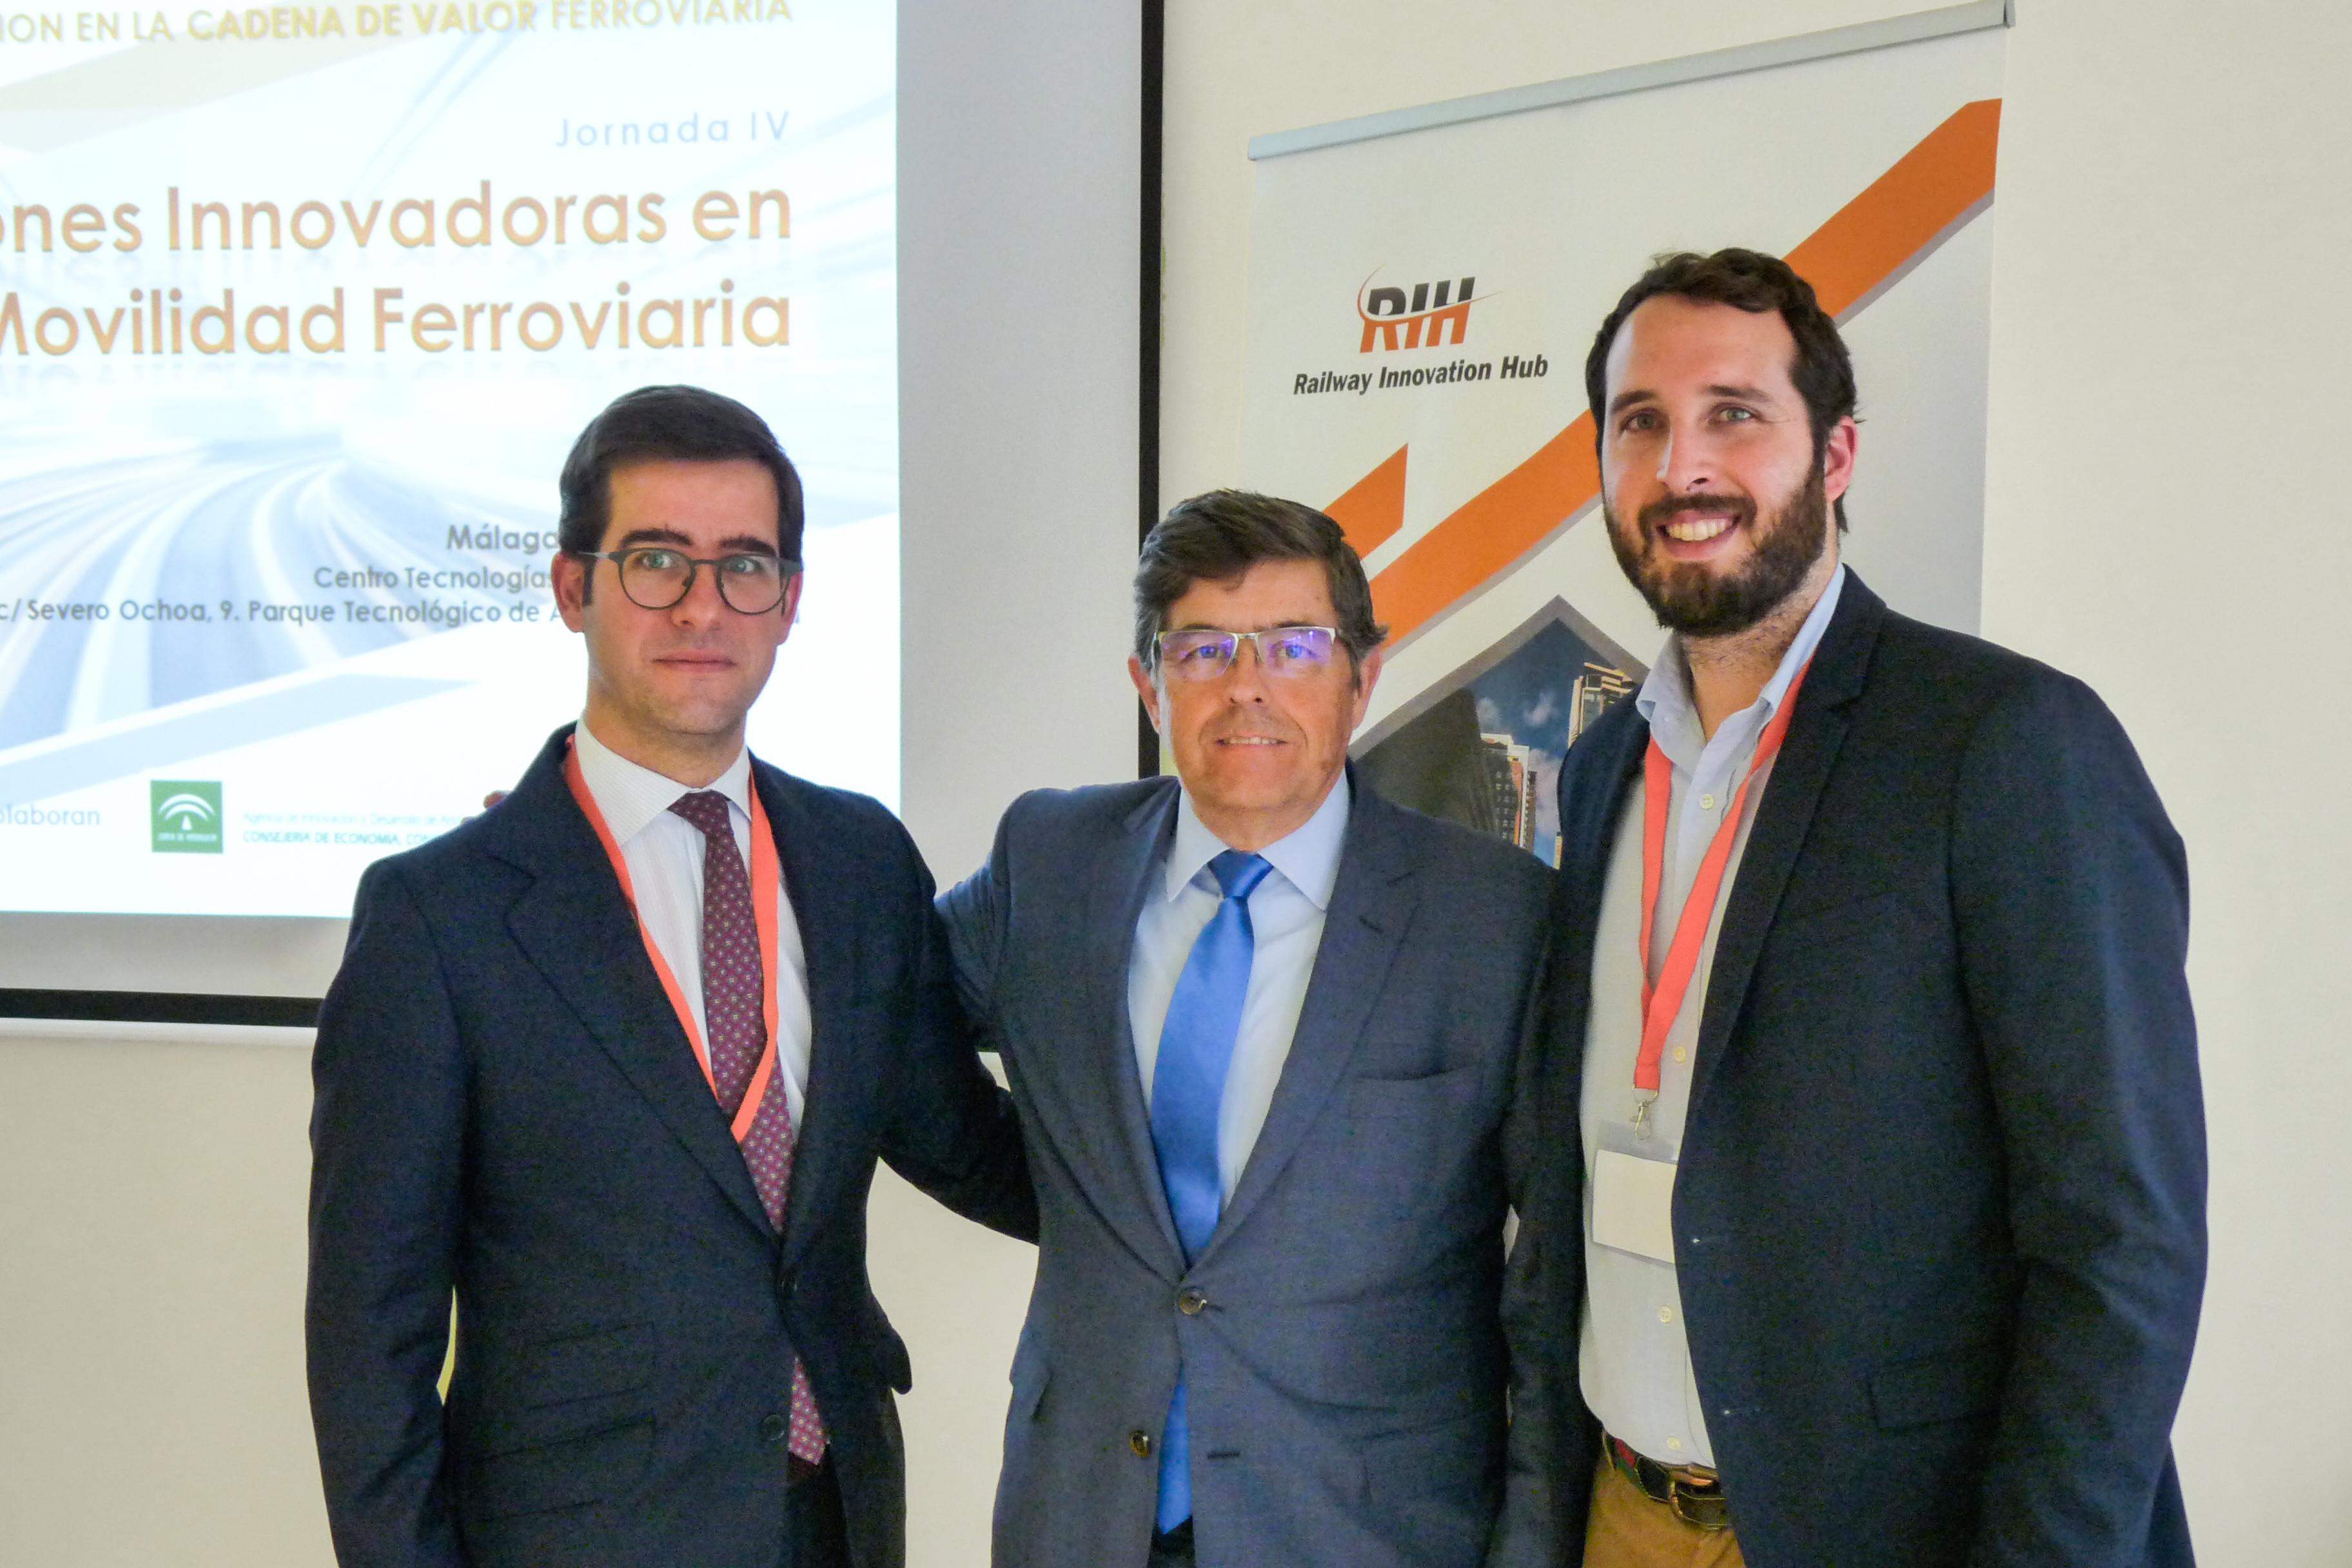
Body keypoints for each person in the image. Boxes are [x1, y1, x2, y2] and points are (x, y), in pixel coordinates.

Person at [1489, 250, 2206, 1567]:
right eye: (1639, 422)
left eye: (1734, 414)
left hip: (1888, 1528)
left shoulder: (2002, 741)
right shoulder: (1599, 769)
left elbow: (2122, 1247)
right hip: (1621, 1510)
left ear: (1836, 456)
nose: (1681, 466)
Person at [305, 384, 1034, 1568]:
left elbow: (963, 1144)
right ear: (571, 589)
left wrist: (1210, 1216)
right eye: (656, 562)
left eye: (744, 566)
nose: (703, 605)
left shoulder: (860, 860)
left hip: (832, 1518)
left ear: (789, 601)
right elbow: (367, 1339)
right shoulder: (440, 915)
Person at [939, 490, 1554, 1568]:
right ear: (1150, 685)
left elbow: (1552, 1284)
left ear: (1364, 677)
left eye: (1296, 647)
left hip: (1366, 1531)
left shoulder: (1495, 917)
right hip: (1083, 1518)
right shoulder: (1052, 860)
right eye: (1203, 650)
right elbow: (889, 1042)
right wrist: (1065, 1202)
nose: (1247, 687)